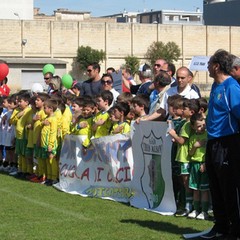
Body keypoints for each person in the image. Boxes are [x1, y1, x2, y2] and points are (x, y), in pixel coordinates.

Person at [201, 50, 240, 239]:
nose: (207, 67)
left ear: (216, 66)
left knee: (229, 187)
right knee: (215, 186)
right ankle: (221, 226)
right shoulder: (216, 86)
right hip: (213, 142)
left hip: (228, 143)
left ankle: (236, 229)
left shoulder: (231, 87)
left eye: (209, 63)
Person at [168, 99, 200, 217]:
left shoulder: (187, 124)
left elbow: (182, 141)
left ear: (191, 112)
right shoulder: (185, 123)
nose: (182, 110)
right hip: (184, 156)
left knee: (186, 183)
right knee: (186, 182)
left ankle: (188, 206)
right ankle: (189, 205)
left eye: (185, 109)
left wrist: (174, 135)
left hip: (185, 157)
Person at [188, 113, 209, 221]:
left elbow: (209, 152)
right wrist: (195, 146)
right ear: (193, 127)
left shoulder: (208, 136)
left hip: (204, 164)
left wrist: (205, 164)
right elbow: (190, 153)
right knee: (195, 189)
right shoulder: (192, 137)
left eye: (203, 125)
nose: (201, 128)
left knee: (204, 189)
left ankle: (204, 211)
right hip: (194, 165)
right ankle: (196, 209)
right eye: (199, 126)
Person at [41, 99, 58, 186]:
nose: (43, 109)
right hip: (45, 144)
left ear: (51, 109)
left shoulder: (53, 119)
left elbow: (53, 132)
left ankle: (54, 178)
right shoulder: (46, 118)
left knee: (52, 160)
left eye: (45, 108)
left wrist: (50, 144)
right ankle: (49, 177)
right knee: (47, 161)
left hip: (50, 144)